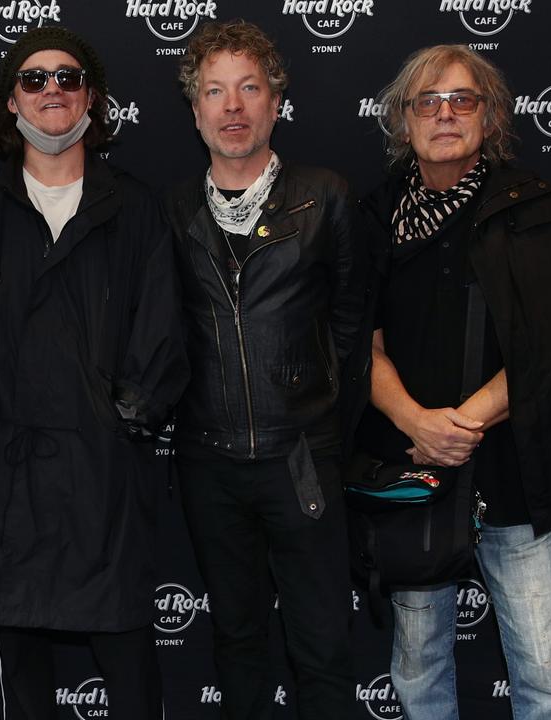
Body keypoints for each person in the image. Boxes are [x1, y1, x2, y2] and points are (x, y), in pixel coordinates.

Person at [350, 44, 551, 720]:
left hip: (515, 475)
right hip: (411, 473)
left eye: (462, 100)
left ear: (491, 116)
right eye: (429, 102)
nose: (445, 114)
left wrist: (460, 428)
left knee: (546, 669)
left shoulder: (532, 209)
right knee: (417, 667)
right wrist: (419, 425)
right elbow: (358, 341)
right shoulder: (374, 214)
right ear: (403, 119)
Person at [0, 25, 188, 719]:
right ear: (10, 104)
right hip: (2, 467)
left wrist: (122, 422)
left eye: (68, 77)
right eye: (34, 78)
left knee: (127, 654)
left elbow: (163, 331)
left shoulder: (137, 206)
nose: (52, 89)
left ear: (93, 100)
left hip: (102, 467)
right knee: (20, 659)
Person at [162, 19, 365, 719]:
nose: (233, 107)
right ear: (195, 112)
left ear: (277, 101)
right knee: (236, 641)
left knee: (322, 645)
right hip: (208, 464)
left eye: (249, 88)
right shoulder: (173, 210)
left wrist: (317, 419)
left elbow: (351, 325)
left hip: (301, 457)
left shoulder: (325, 195)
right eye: (215, 92)